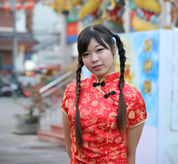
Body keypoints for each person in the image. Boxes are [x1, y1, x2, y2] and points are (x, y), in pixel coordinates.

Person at [61, 24, 147, 163]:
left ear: (113, 48)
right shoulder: (72, 91)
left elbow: (130, 155)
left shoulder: (131, 97)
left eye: (99, 50)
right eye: (86, 54)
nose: (94, 59)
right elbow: (69, 146)